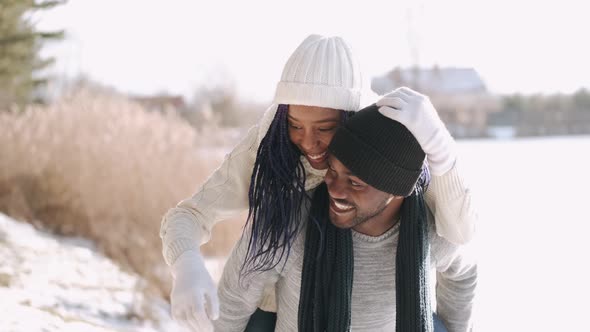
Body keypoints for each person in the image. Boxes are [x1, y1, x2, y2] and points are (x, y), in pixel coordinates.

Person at [159, 34, 476, 331]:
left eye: (324, 128)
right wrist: (186, 264)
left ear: (352, 118)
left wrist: (442, 151)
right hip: (281, 302)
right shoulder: (272, 147)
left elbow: (459, 237)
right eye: (295, 124)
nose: (307, 142)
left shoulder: (388, 150)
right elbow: (192, 216)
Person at [214, 104, 477, 331]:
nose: (335, 189)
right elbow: (232, 301)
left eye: (354, 182)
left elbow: (463, 273)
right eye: (333, 170)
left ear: (398, 192)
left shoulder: (428, 233)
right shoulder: (288, 224)